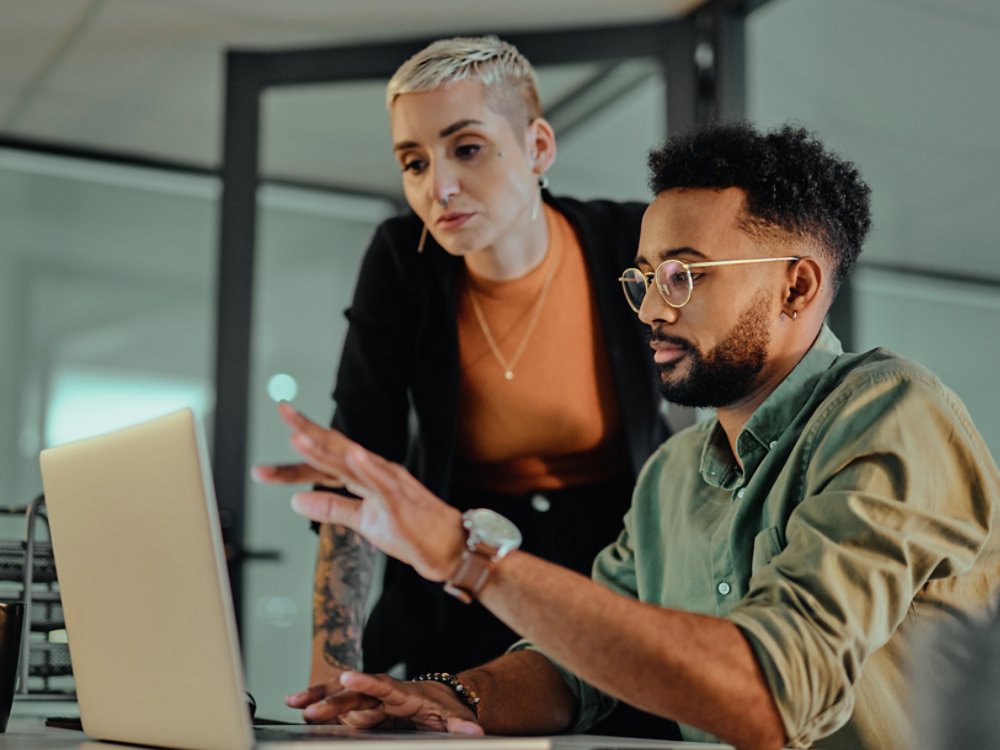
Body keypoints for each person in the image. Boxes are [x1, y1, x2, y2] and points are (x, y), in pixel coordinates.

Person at [256, 122, 1000, 749]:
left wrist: (469, 557)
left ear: (796, 287)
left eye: (684, 276)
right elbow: (572, 665)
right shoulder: (671, 476)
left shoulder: (892, 413)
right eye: (643, 280)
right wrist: (455, 698)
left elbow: (776, 694)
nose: (649, 311)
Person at [297, 35, 672, 737]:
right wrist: (330, 679)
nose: (436, 187)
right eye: (414, 161)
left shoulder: (631, 243)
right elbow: (356, 475)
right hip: (452, 586)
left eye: (466, 148)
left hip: (611, 584)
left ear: (537, 147)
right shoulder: (400, 263)